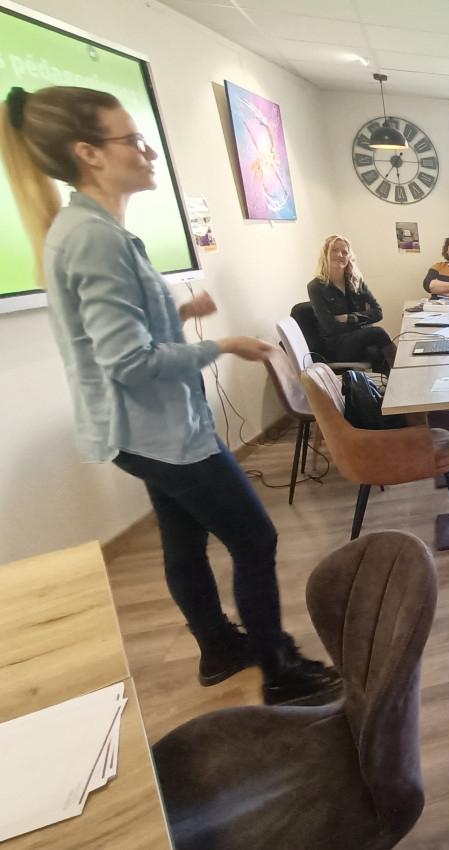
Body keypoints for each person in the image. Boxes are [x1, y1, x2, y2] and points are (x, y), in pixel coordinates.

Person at [0, 85, 340, 705]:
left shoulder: (90, 230)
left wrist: (182, 312)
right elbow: (128, 360)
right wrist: (224, 345)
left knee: (183, 540)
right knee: (255, 538)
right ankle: (278, 669)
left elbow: (124, 333)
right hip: (159, 431)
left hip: (142, 430)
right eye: (131, 139)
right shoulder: (92, 237)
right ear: (89, 153)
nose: (147, 151)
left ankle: (218, 647)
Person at [306, 235, 394, 374]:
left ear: (349, 256)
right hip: (336, 345)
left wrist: (349, 318)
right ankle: (402, 374)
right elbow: (330, 327)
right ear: (325, 255)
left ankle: (386, 390)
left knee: (376, 352)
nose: (340, 255)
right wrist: (362, 322)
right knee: (378, 333)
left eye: (344, 252)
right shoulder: (316, 287)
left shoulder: (356, 281)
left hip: (358, 339)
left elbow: (378, 312)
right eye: (334, 250)